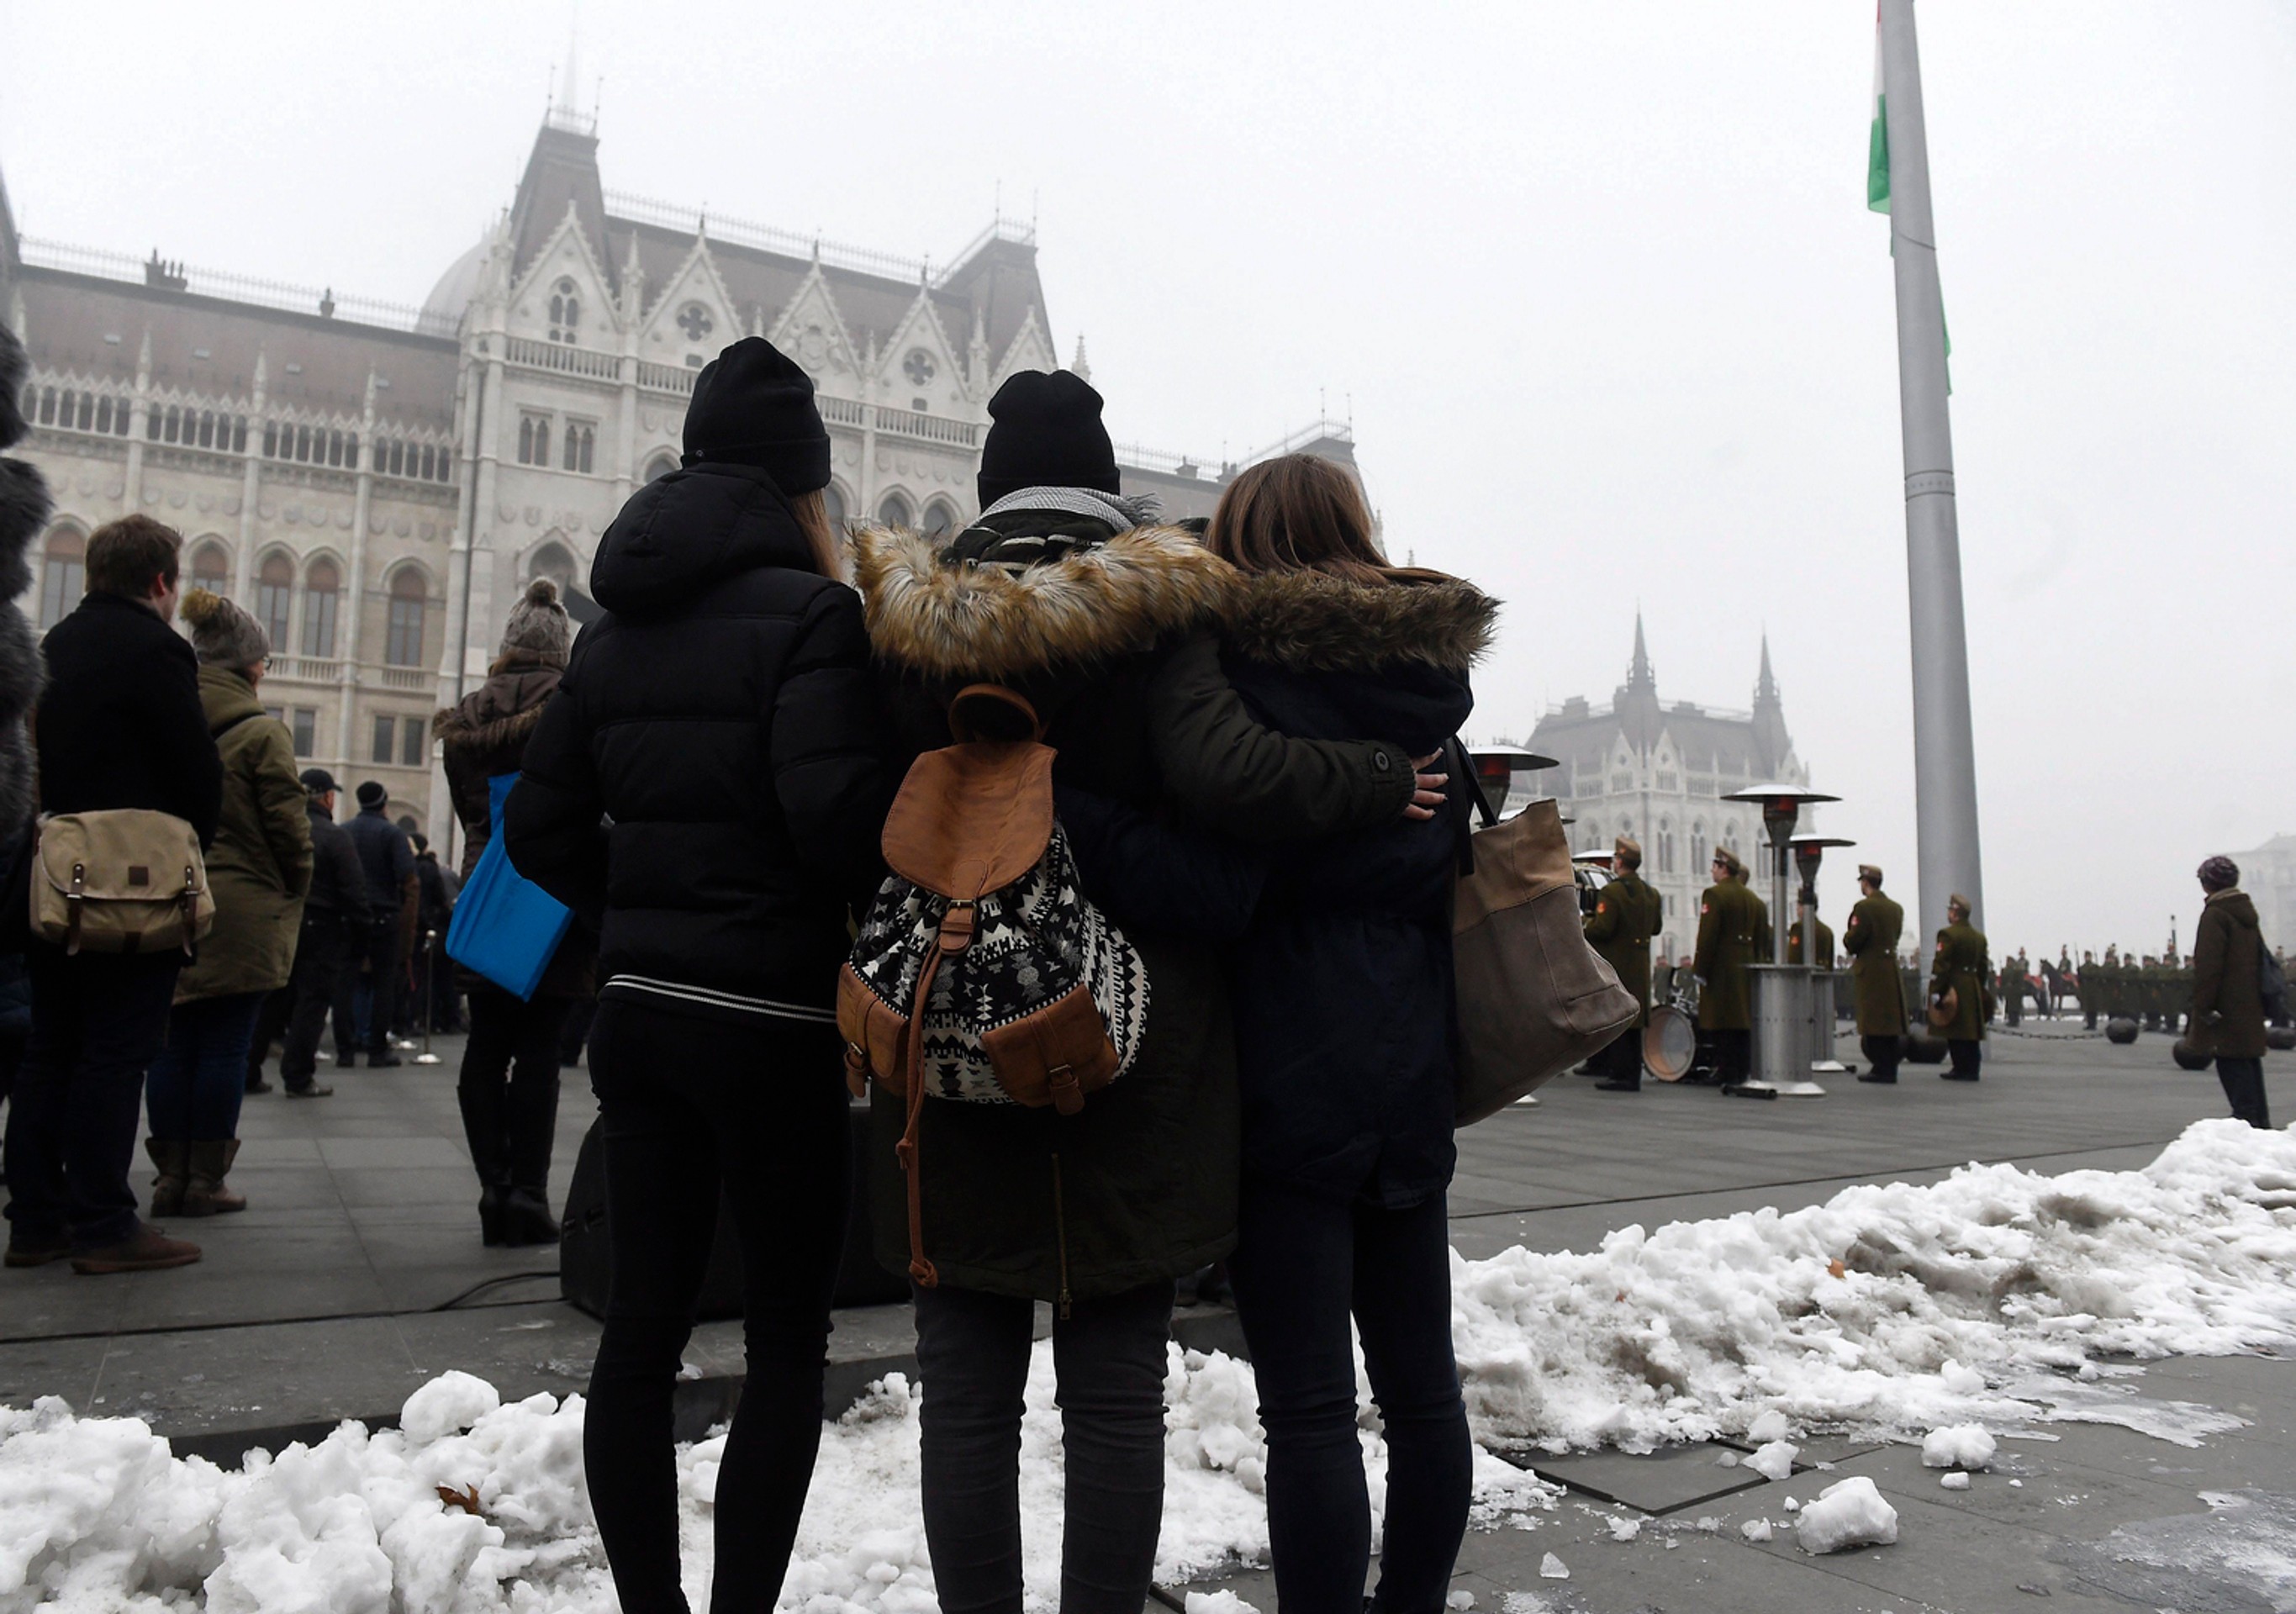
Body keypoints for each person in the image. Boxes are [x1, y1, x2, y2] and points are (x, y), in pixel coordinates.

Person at [847, 379, 1421, 1614]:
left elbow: (868, 829)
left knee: (966, 1396)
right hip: (1136, 1058)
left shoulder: (903, 632)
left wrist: (1000, 833)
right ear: (1107, 488)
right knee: (1113, 1395)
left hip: (954, 1055)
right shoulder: (1169, 622)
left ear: (990, 487)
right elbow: (1223, 873)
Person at [505, 337, 895, 1611]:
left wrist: (645, 918)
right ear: (804, 488)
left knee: (642, 1329)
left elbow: (538, 832)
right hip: (772, 1026)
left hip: (641, 1023)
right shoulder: (811, 617)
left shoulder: (613, 630)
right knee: (785, 1342)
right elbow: (834, 823)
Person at [1186, 451, 1492, 1611]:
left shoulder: (1243, 680)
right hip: (1406, 1057)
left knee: (1307, 1408)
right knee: (1422, 1395)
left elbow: (1230, 862)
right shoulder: (1426, 683)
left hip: (1283, 1063)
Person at [3, 515, 221, 1274]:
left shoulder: (55, 643)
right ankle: (104, 1224)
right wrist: (194, 841)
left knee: (51, 1047)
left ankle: (33, 1219)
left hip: (56, 882)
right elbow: (196, 768)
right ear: (161, 582)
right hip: (133, 890)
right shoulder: (159, 648)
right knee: (115, 1052)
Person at [435, 578, 596, 1247]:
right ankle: (528, 1194)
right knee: (538, 1049)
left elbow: (468, 810)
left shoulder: (467, 717)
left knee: (485, 1043)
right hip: (554, 894)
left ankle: (492, 1191)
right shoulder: (570, 706)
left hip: (485, 891)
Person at [143, 590, 312, 1218]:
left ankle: (169, 1177)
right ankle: (206, 1181)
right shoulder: (262, 732)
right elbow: (289, 831)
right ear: (252, 665)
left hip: (167, 900)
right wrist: (294, 885)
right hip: (240, 907)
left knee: (171, 1042)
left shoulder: (166, 717)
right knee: (223, 1047)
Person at [252, 771, 369, 1099]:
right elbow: (353, 890)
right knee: (312, 1001)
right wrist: (362, 933)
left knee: (273, 998)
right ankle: (298, 1075)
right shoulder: (334, 837)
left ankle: (248, 1069)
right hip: (322, 925)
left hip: (283, 920)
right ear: (328, 798)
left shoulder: (281, 831)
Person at [337, 780, 414, 1068]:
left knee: (347, 980)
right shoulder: (392, 834)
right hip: (384, 915)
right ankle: (377, 1049)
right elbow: (408, 877)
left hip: (350, 914)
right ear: (383, 803)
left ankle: (346, 1050)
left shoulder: (344, 831)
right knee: (384, 983)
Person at [2190, 855, 2270, 1128]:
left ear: (2207, 884)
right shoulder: (2246, 914)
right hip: (2249, 1004)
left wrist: (2202, 1006)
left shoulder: (2216, 915)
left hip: (2225, 1008)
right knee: (2249, 1066)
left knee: (2232, 1067)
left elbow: (2209, 967)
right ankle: (2260, 1126)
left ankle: (2246, 1128)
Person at [1584, 835, 1660, 1091]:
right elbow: (1657, 927)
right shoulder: (1651, 893)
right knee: (1635, 1021)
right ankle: (1632, 1074)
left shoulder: (1613, 892)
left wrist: (1585, 924)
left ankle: (1620, 1074)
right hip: (1640, 963)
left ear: (1619, 862)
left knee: (1617, 1016)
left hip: (1618, 963)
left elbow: (1603, 929)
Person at [1695, 847, 1760, 1087]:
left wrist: (1700, 969)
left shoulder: (1715, 895)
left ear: (1723, 868)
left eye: (1714, 866)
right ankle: (1741, 1070)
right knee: (1740, 1022)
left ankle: (1725, 1070)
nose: (1712, 871)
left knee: (1721, 1021)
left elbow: (1708, 937)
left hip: (1722, 968)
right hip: (1744, 966)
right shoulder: (1751, 898)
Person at [1843, 863, 1908, 1083]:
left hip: (1870, 969)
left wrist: (1848, 940)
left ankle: (1881, 1068)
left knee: (1873, 1020)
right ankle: (1889, 1067)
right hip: (1889, 967)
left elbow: (1854, 939)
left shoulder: (1863, 908)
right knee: (1888, 1021)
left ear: (1865, 882)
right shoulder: (1896, 908)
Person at [1929, 894, 1991, 1080]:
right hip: (1972, 984)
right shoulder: (1979, 938)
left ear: (1955, 913)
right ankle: (1972, 1068)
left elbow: (1941, 965)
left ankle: (1961, 1068)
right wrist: (1977, 987)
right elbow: (1983, 967)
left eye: (1950, 910)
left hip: (1955, 985)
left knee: (1955, 1028)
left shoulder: (1948, 934)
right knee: (1971, 1030)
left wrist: (1937, 990)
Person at [408, 833, 460, 1035]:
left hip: (422, 929)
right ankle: (448, 1019)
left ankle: (422, 1017)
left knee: (422, 978)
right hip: (439, 930)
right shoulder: (438, 872)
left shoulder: (413, 869)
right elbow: (443, 901)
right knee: (443, 978)